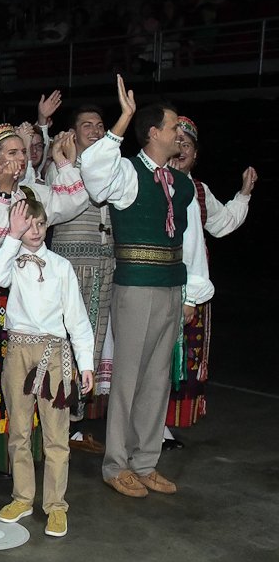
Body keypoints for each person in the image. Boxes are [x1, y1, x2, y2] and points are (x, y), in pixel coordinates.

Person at [78, 76, 213, 498]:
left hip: (171, 290)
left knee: (157, 380)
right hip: (135, 288)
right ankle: (117, 464)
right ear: (154, 133)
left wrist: (191, 294)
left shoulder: (185, 184)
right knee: (128, 379)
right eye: (174, 128)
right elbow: (94, 172)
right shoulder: (127, 173)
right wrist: (124, 119)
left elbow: (191, 244)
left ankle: (146, 461)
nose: (180, 134)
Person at [0, 121, 87, 474]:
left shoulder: (29, 194)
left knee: (26, 385)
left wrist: (64, 162)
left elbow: (73, 202)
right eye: (13, 153)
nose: (21, 159)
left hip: (19, 299)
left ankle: (22, 464)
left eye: (23, 152)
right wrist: (2, 189)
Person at [0, 199, 95, 539]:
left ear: (48, 226)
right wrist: (12, 236)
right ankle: (22, 497)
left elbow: (77, 319)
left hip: (54, 352)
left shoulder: (61, 266)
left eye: (39, 224)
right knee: (19, 431)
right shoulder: (12, 261)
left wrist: (86, 363)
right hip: (19, 349)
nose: (34, 231)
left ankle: (56, 505)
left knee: (56, 434)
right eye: (26, 224)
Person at [163, 116, 256, 443]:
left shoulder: (200, 191)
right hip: (162, 281)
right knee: (158, 355)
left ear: (196, 154)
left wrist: (243, 194)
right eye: (177, 142)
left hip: (194, 284)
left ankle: (169, 421)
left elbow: (222, 222)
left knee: (186, 353)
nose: (181, 149)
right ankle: (152, 425)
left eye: (187, 145)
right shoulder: (155, 184)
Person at [44, 103, 116, 452]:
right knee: (65, 344)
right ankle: (58, 423)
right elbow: (53, 208)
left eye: (100, 124)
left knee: (93, 343)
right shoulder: (60, 166)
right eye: (87, 124)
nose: (95, 130)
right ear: (73, 132)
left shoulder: (111, 166)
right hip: (71, 264)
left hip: (103, 265)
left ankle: (75, 424)